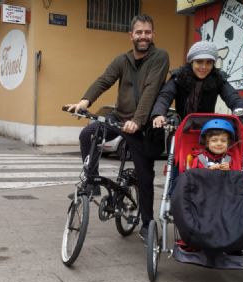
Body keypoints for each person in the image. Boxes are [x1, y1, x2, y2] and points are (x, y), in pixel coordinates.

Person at [64, 14, 170, 241]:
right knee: (87, 135)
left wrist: (138, 121)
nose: (143, 36)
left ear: (153, 34)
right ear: (131, 35)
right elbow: (104, 80)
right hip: (119, 117)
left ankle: (147, 223)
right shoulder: (122, 60)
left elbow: (151, 89)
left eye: (147, 32)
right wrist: (85, 102)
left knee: (144, 177)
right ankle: (92, 182)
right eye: (139, 32)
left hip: (142, 126)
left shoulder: (160, 57)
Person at [151, 40, 243, 130]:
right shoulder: (178, 77)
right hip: (180, 128)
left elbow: (234, 99)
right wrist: (159, 114)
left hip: (207, 129)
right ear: (191, 62)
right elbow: (165, 96)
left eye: (209, 62)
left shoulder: (218, 79)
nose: (204, 67)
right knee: (176, 158)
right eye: (199, 62)